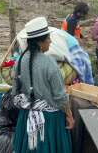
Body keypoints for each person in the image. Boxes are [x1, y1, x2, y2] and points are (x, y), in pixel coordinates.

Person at [13, 17, 74, 153]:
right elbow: (60, 97)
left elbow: (14, 91)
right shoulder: (49, 63)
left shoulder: (20, 60)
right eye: (48, 39)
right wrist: (69, 115)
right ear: (41, 42)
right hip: (49, 121)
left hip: (26, 116)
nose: (50, 42)